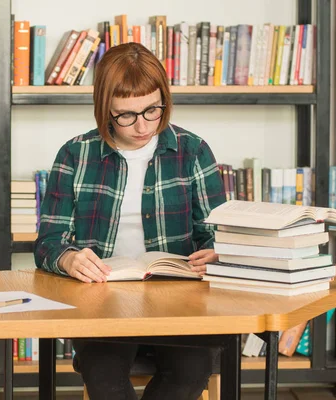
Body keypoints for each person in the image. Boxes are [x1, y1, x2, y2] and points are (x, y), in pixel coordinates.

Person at [34, 42, 226, 400]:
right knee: (103, 378)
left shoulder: (192, 150)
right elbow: (47, 242)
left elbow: (217, 232)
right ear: (104, 108)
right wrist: (68, 258)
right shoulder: (76, 154)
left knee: (189, 375)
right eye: (126, 115)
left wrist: (214, 251)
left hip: (180, 298)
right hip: (103, 298)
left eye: (153, 110)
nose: (142, 126)